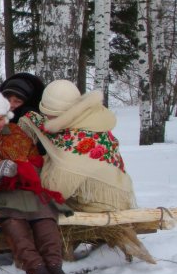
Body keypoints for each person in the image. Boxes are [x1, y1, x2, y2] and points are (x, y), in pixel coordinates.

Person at [0, 86, 74, 274]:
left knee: (44, 212)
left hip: (25, 188)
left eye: (0, 119)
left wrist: (26, 169)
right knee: (14, 218)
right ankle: (36, 269)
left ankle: (54, 265)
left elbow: (34, 158)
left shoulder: (15, 132)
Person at [19, 80, 137, 212]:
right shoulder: (88, 119)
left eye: (49, 116)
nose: (46, 118)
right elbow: (48, 128)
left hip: (98, 205)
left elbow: (55, 191)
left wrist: (43, 161)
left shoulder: (77, 145)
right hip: (113, 195)